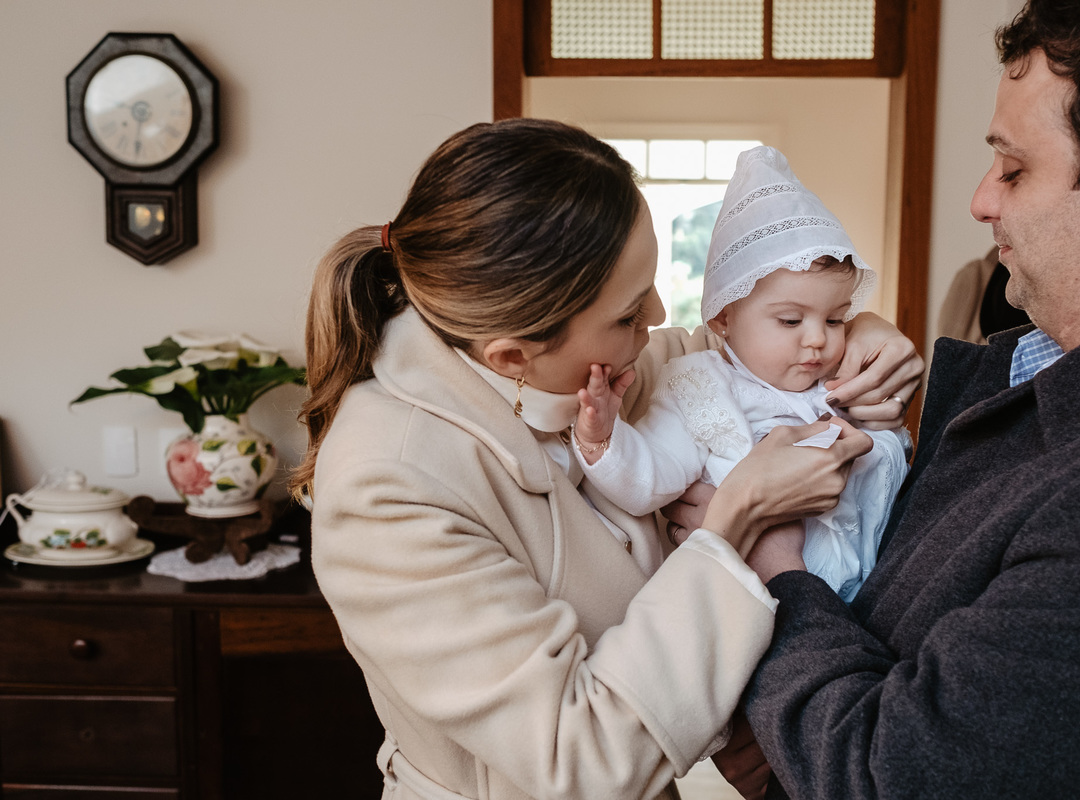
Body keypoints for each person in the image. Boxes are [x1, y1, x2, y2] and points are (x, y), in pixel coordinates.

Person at [292, 118, 923, 800]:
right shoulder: (388, 488)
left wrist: (864, 331)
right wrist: (736, 521)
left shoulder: (608, 369)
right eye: (628, 315)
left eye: (649, 286)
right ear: (513, 356)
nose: (658, 315)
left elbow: (740, 354)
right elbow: (581, 759)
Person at [684, 1, 1080, 797]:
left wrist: (775, 572)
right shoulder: (1035, 371)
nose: (981, 201)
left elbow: (896, 775)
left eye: (1014, 169)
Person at [573, 146, 909, 602]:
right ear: (723, 319)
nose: (818, 339)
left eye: (835, 319)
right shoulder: (699, 389)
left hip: (870, 590)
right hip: (764, 604)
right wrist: (601, 440)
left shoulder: (842, 378)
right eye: (790, 320)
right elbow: (651, 478)